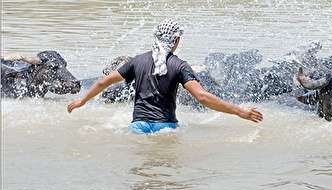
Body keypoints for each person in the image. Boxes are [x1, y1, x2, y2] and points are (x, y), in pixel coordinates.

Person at [67, 18, 263, 134]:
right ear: (176, 40)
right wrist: (239, 111)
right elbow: (202, 97)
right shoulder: (180, 65)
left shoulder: (137, 61)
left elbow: (103, 81)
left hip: (138, 127)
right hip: (167, 128)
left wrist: (82, 101)